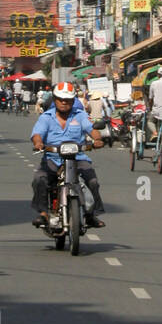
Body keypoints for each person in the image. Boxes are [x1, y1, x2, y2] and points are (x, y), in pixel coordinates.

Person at [31, 82, 105, 229]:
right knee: (40, 179)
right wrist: (38, 143)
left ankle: (91, 215)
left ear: (73, 101)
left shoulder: (80, 115)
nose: (64, 102)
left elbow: (92, 129)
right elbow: (37, 134)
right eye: (60, 99)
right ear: (55, 99)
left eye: (68, 100)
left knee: (93, 182)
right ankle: (44, 214)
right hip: (53, 159)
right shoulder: (46, 117)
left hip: (78, 158)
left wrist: (97, 139)